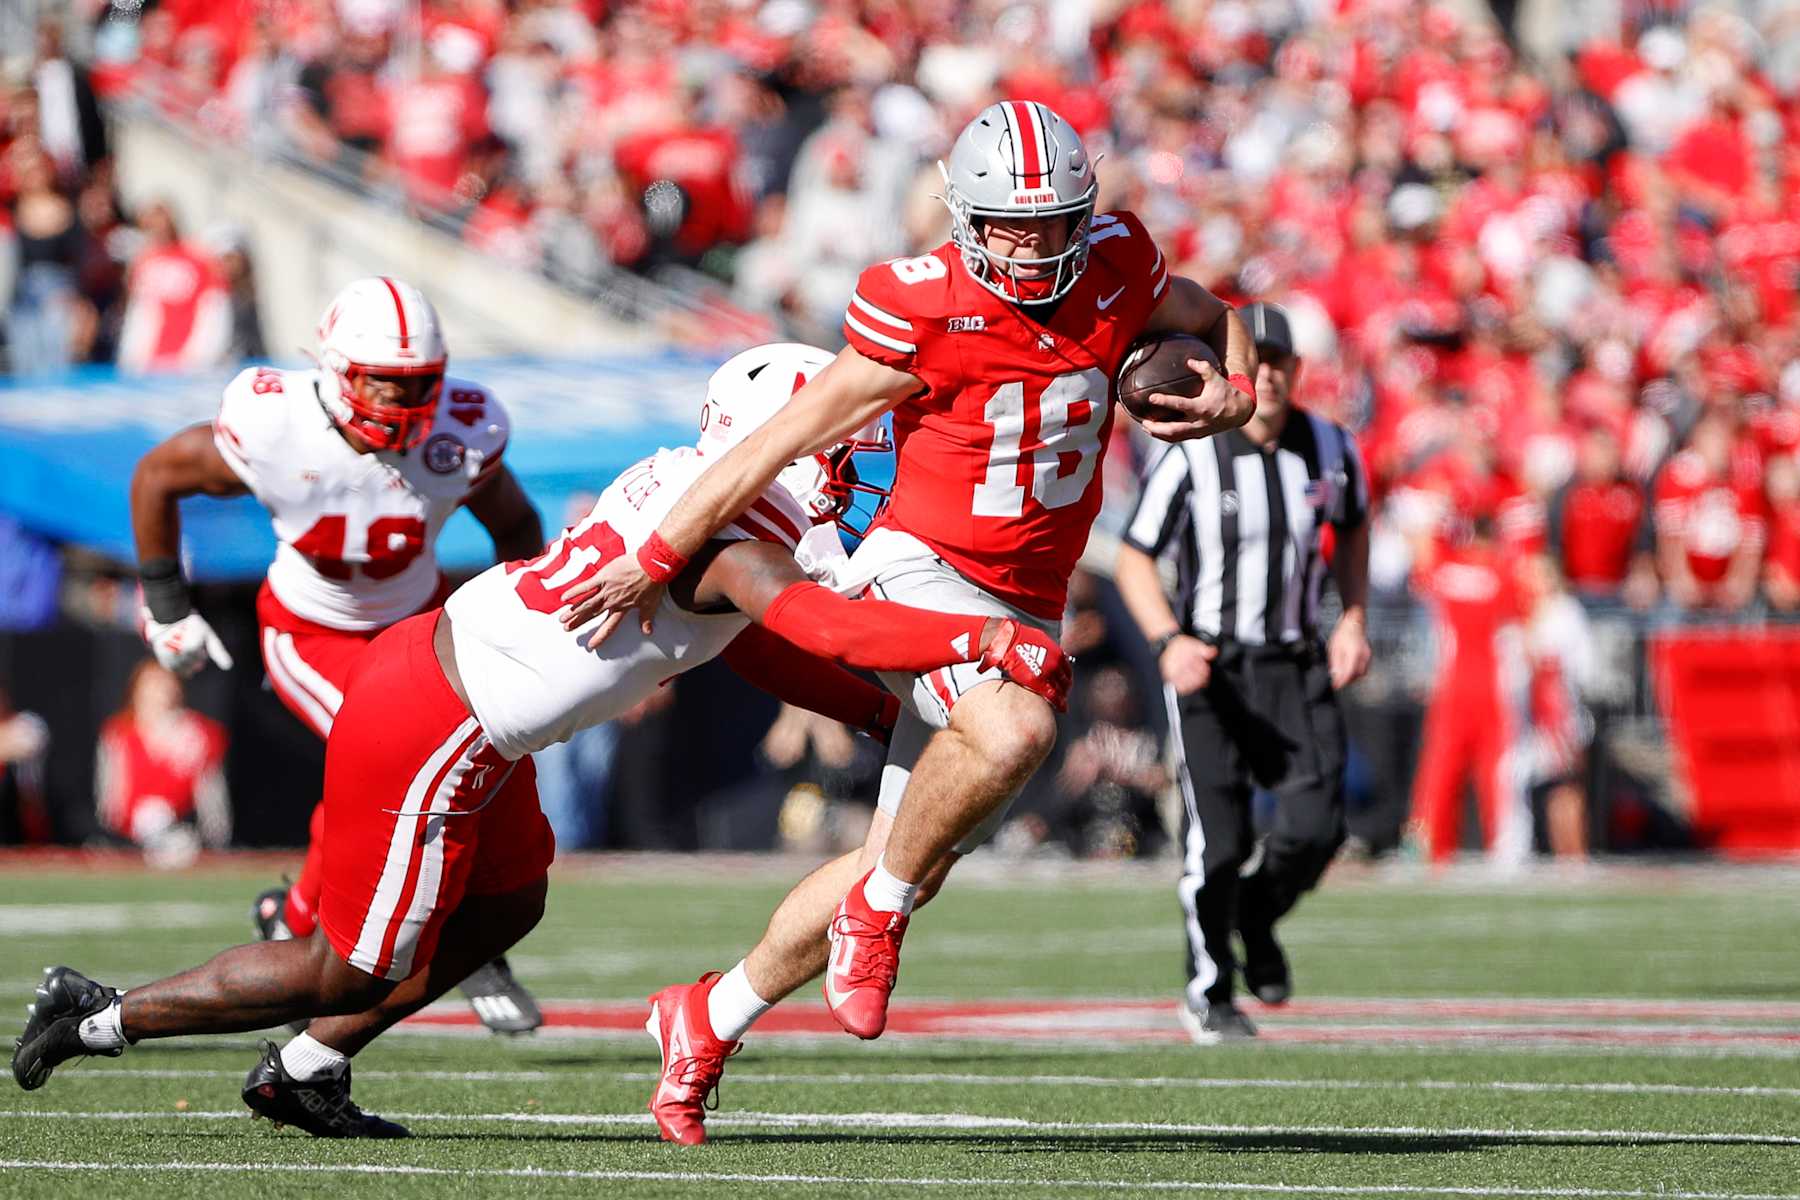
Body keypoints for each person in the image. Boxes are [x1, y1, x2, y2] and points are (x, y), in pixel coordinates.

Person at [12, 341, 1070, 1140]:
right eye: (829, 443)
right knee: (350, 962)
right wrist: (980, 636)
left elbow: (751, 645)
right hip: (438, 716)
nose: (846, 465)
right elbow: (813, 623)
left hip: (455, 682)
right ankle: (102, 1012)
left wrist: (871, 710)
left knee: (509, 904)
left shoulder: (689, 491)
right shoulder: (732, 537)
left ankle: (306, 1071)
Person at [558, 100, 1256, 1145]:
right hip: (920, 568)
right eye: (1011, 225)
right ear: (966, 217)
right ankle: (877, 915)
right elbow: (762, 449)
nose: (1034, 244)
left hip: (1030, 587)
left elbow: (1208, 313)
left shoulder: (1117, 261)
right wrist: (657, 555)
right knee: (1015, 730)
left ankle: (706, 1016)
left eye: (1057, 220)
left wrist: (1237, 395)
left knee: (907, 850)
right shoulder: (919, 304)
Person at [127, 275, 548, 1034]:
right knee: (396, 764)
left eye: (423, 384)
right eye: (388, 386)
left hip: (421, 633)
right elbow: (157, 475)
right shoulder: (274, 424)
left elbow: (517, 526)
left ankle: (308, 918)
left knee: (481, 765)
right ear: (338, 372)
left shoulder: (461, 436)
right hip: (311, 634)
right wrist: (167, 606)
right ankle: (446, 940)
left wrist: (514, 620)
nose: (407, 404)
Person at [1114, 302, 1372, 1042]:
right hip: (1211, 666)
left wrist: (1351, 616)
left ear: (1294, 371)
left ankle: (1256, 916)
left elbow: (1353, 526)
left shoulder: (1331, 447)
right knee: (1217, 842)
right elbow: (1136, 555)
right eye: (1253, 362)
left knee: (1317, 829)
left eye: (1278, 363)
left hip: (1294, 659)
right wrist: (1168, 639)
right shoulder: (1193, 453)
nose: (1266, 375)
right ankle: (1209, 989)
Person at [95, 661, 230, 866]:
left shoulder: (200, 734)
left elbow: (213, 804)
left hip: (183, 835)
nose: (159, 692)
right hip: (129, 841)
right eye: (151, 685)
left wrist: (210, 842)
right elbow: (109, 800)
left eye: (165, 683)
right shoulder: (119, 732)